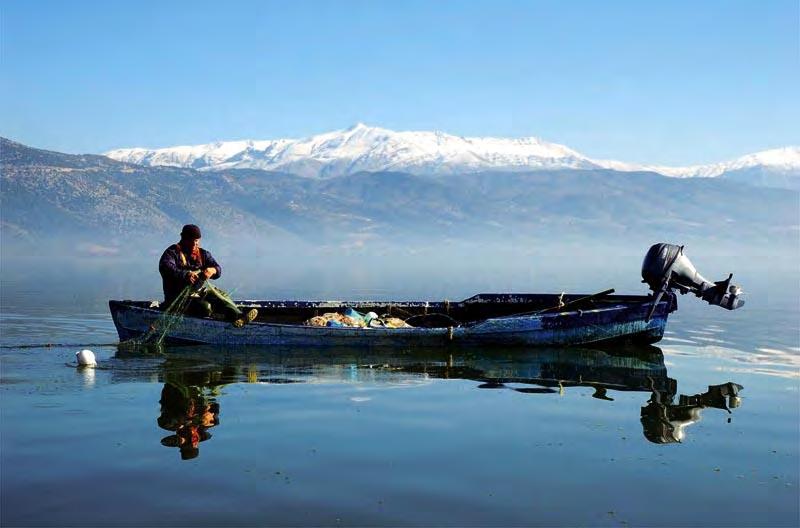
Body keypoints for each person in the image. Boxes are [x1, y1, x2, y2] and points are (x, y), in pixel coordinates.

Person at [158, 224, 257, 327]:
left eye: (196, 241)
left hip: (199, 293)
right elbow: (166, 267)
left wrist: (212, 270)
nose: (194, 244)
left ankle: (239, 317)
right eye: (191, 241)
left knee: (221, 297)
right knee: (206, 307)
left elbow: (218, 269)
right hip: (177, 299)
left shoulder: (203, 254)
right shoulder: (172, 252)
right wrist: (185, 274)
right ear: (183, 238)